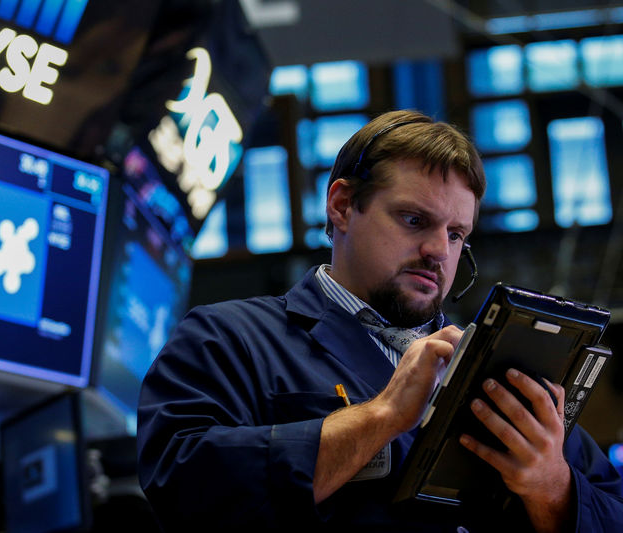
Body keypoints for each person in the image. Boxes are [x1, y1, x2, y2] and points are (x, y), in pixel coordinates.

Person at [136, 110, 623, 532]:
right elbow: (184, 491)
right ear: (343, 205)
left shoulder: (491, 367)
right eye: (414, 220)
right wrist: (380, 416)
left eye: (457, 234)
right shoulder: (229, 337)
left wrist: (552, 487)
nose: (438, 250)